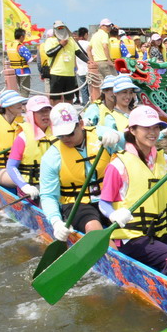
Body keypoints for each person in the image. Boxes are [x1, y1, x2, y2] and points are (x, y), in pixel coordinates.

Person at [99, 105, 167, 287]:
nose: (153, 132)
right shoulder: (118, 165)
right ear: (132, 130)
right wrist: (113, 215)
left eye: (156, 128)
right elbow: (104, 203)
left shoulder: (164, 160)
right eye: (146, 128)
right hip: (132, 236)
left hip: (163, 230)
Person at [39, 103, 122, 241]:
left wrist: (118, 137)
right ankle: (115, 260)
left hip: (109, 197)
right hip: (76, 204)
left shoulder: (101, 134)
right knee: (93, 227)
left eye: (70, 133)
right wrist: (56, 222)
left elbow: (133, 139)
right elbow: (48, 196)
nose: (66, 138)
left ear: (81, 124)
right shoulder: (51, 157)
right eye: (61, 135)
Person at [5, 95, 55, 200]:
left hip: (54, 182)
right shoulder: (23, 137)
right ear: (31, 114)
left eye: (47, 110)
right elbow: (11, 166)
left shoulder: (60, 134)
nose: (45, 115)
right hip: (33, 185)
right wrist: (24, 186)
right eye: (41, 111)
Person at [44, 21, 89, 104]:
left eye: (62, 28)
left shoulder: (71, 40)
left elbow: (78, 52)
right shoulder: (50, 41)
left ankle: (69, 113)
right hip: (56, 73)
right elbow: (49, 53)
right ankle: (56, 113)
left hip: (70, 74)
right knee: (55, 98)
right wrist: (60, 45)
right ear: (54, 30)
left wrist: (88, 61)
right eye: (58, 28)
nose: (61, 30)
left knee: (69, 97)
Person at [8, 28, 34, 98]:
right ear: (22, 36)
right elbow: (29, 60)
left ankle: (20, 105)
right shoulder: (21, 47)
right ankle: (24, 106)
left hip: (15, 71)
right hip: (23, 71)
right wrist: (35, 57)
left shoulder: (10, 46)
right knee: (25, 90)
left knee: (19, 89)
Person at [75, 27, 91, 105]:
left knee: (83, 89)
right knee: (91, 88)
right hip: (89, 69)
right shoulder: (89, 44)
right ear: (85, 34)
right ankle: (92, 102)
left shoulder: (75, 44)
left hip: (80, 70)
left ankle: (85, 103)